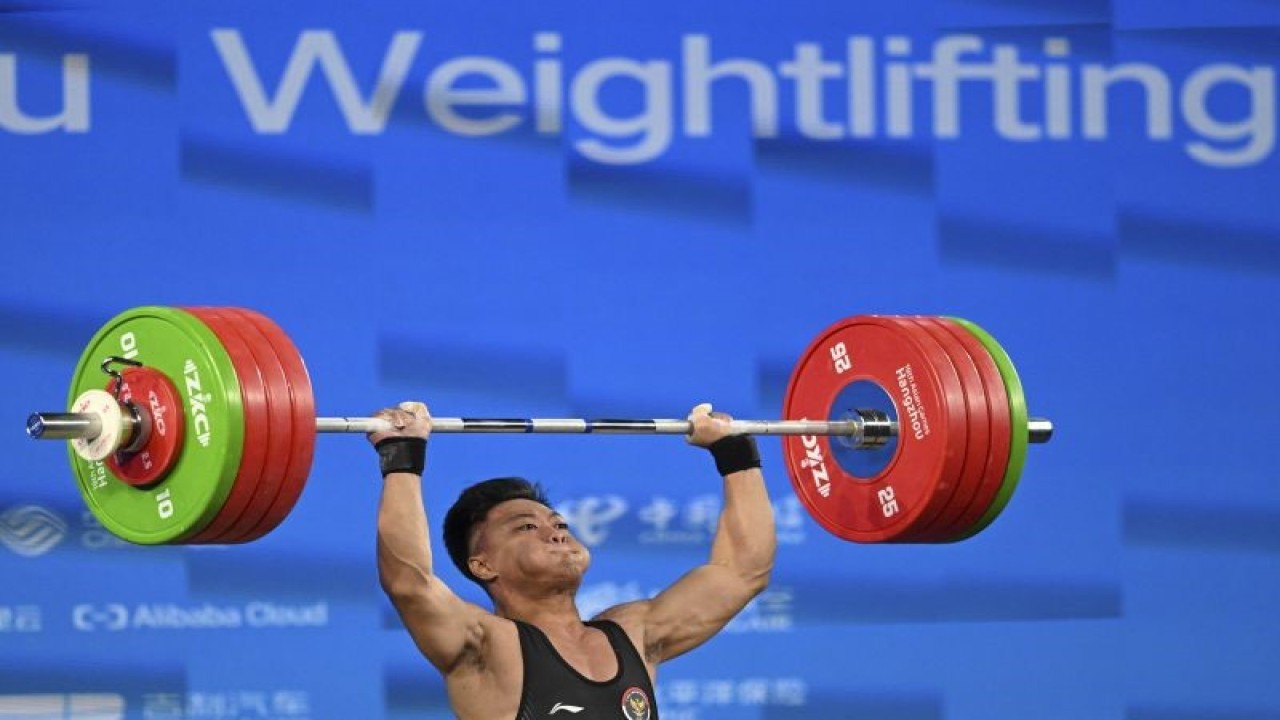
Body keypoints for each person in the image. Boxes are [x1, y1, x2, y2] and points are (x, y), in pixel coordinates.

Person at [368, 400, 776, 720]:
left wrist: (735, 452)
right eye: (526, 527)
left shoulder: (635, 634)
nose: (556, 531)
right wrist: (402, 456)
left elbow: (743, 571)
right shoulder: (485, 646)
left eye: (558, 522)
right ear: (483, 565)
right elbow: (410, 582)